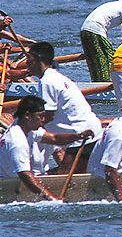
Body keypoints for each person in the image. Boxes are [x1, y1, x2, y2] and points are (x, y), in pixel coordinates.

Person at [27, 40, 103, 168]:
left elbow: (47, 117)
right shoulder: (54, 76)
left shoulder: (47, 81)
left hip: (81, 136)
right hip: (88, 131)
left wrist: (23, 129)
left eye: (29, 58)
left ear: (39, 59)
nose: (26, 63)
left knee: (66, 179)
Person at [2, 96, 62, 200]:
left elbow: (55, 139)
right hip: (12, 184)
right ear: (27, 115)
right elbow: (25, 175)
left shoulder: (30, 128)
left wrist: (79, 136)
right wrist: (51, 198)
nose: (44, 120)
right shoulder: (17, 141)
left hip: (30, 176)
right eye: (41, 116)